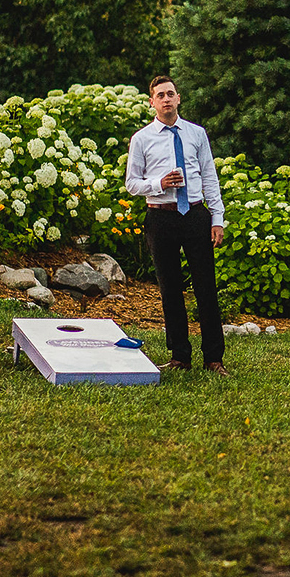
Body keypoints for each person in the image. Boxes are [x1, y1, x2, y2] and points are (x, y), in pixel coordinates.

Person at [125, 76, 229, 374]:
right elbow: (132, 184)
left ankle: (214, 358)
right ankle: (180, 356)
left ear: (179, 98)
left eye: (171, 94)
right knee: (170, 288)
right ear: (152, 103)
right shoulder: (142, 139)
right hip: (160, 216)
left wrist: (217, 218)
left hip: (195, 215)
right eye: (160, 95)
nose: (166, 99)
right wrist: (159, 183)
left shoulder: (196, 134)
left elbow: (210, 177)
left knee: (205, 286)